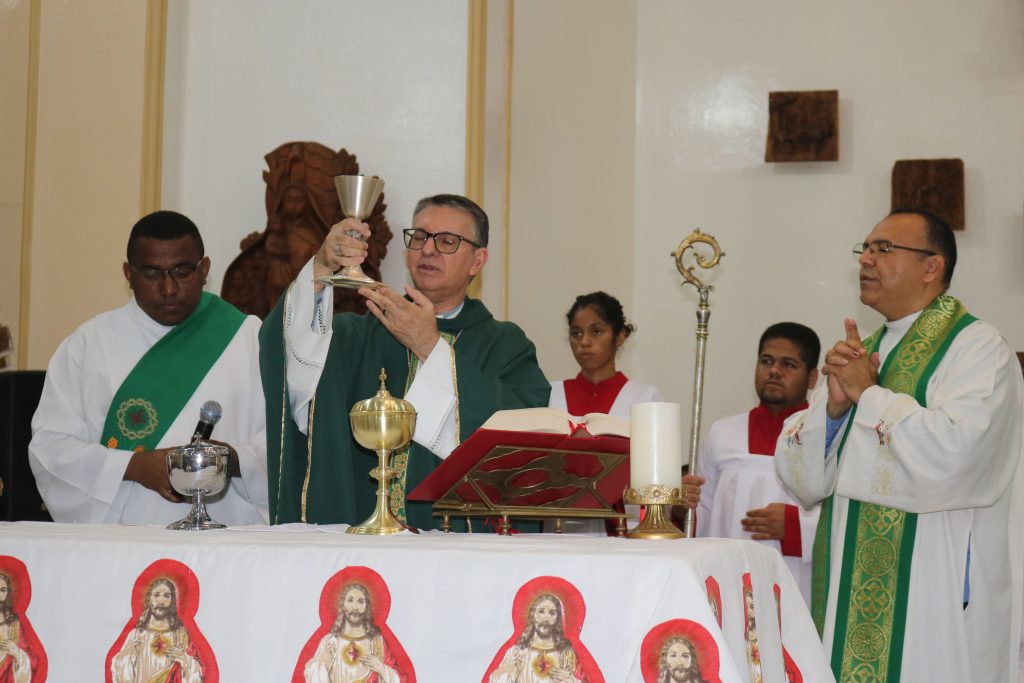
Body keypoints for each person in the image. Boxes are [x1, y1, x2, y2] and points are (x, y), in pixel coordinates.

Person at [775, 209, 1024, 682]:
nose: (865, 259)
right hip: (850, 583)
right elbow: (802, 479)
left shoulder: (979, 350)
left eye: (883, 249)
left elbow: (957, 457)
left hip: (933, 589)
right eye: (865, 248)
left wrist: (868, 396)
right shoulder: (862, 351)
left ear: (932, 266)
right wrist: (834, 412)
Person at [262, 194, 550, 528]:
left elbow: (523, 442)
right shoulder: (357, 336)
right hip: (360, 538)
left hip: (455, 545)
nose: (428, 250)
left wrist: (430, 347)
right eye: (419, 237)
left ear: (477, 260)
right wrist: (321, 268)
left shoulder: (505, 345)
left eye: (447, 241)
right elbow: (289, 353)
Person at [28, 210, 268, 525]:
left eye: (182, 271)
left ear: (204, 269)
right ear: (128, 274)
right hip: (125, 540)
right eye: (152, 274)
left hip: (227, 537)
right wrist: (133, 466)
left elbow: (285, 444)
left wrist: (232, 461)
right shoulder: (88, 346)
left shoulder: (249, 338)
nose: (168, 288)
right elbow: (51, 449)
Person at [696, 322, 821, 604]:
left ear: (812, 377)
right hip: (727, 579)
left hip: (794, 582)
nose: (774, 371)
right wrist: (681, 507)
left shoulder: (824, 435)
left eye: (788, 364)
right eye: (766, 361)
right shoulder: (722, 432)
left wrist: (795, 526)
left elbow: (843, 517)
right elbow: (705, 511)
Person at [548, 292, 662, 419]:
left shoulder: (644, 399)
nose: (584, 341)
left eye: (596, 331)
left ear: (619, 337)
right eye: (576, 333)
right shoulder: (549, 395)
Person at [303, 583, 403, 683]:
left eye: (360, 601)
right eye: (350, 600)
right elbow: (313, 674)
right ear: (343, 605)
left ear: (367, 607)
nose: (355, 607)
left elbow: (399, 679)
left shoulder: (377, 642)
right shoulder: (329, 641)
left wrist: (381, 669)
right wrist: (322, 667)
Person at [110, 578, 205, 683]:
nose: (161, 601)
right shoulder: (136, 635)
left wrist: (185, 661)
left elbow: (196, 672)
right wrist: (126, 658)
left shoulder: (180, 634)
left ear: (172, 601)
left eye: (166, 596)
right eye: (156, 595)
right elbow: (119, 665)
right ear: (149, 599)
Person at [488, 593, 586, 683]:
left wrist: (572, 681)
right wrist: (506, 676)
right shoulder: (516, 653)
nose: (546, 618)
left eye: (552, 613)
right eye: (541, 611)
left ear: (558, 619)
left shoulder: (567, 654)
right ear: (532, 616)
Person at [0, 573, 40, 683]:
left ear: (7, 594)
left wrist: (17, 653)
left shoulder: (14, 624)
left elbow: (33, 659)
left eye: (3, 590)